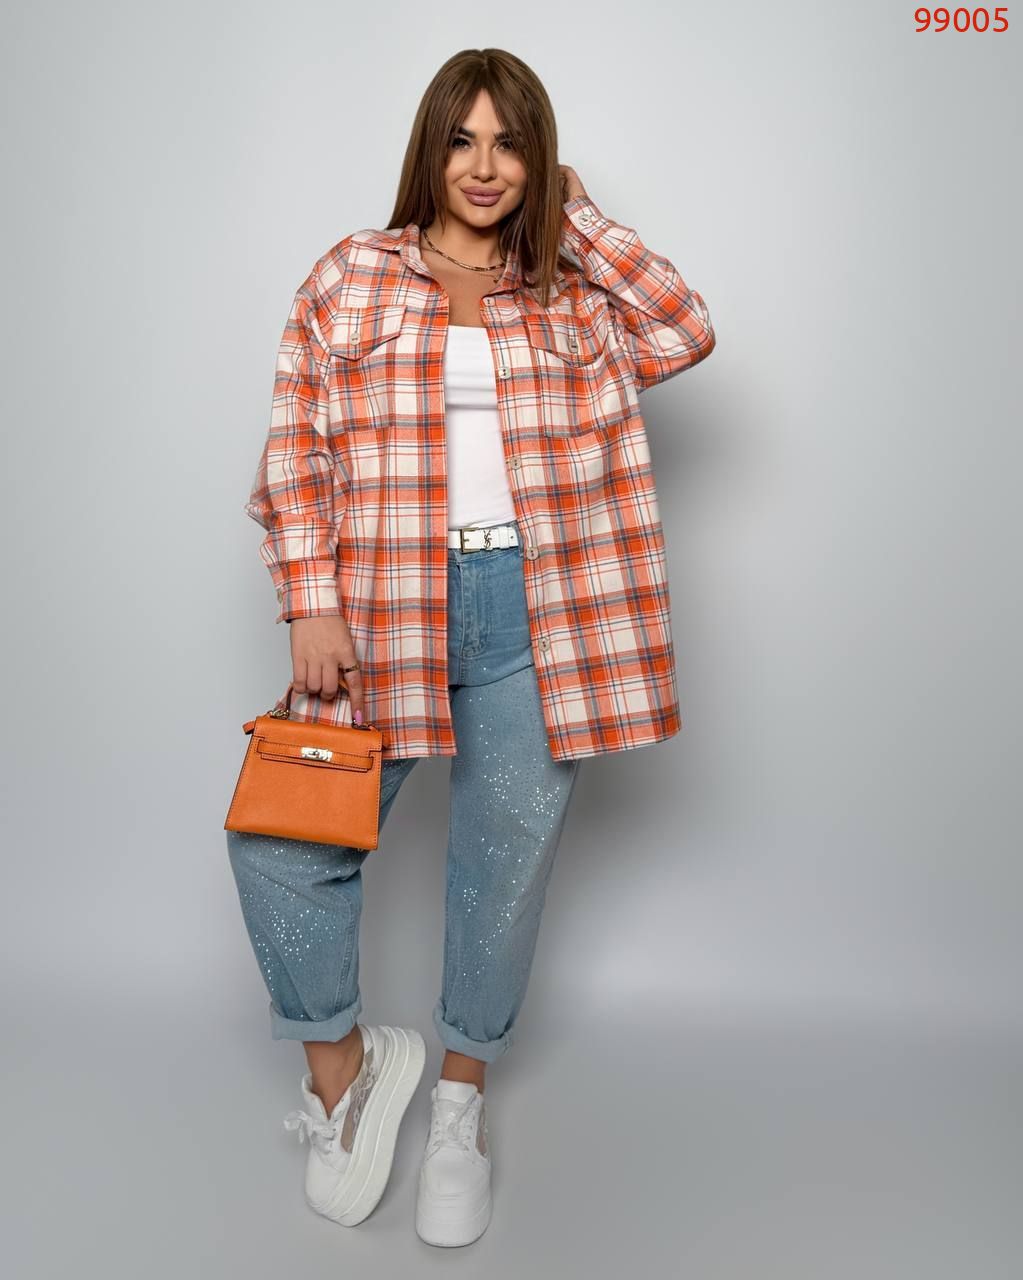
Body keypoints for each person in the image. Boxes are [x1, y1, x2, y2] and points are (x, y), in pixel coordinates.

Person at [226, 47, 716, 1248]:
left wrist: (581, 216)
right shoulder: (352, 273)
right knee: (282, 838)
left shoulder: (573, 289)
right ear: (429, 148)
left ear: (538, 160)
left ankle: (458, 1104)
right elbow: (296, 447)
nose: (485, 166)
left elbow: (686, 327)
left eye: (511, 143)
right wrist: (310, 599)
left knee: (499, 869)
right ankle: (343, 1074)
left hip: (540, 608)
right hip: (382, 602)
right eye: (463, 139)